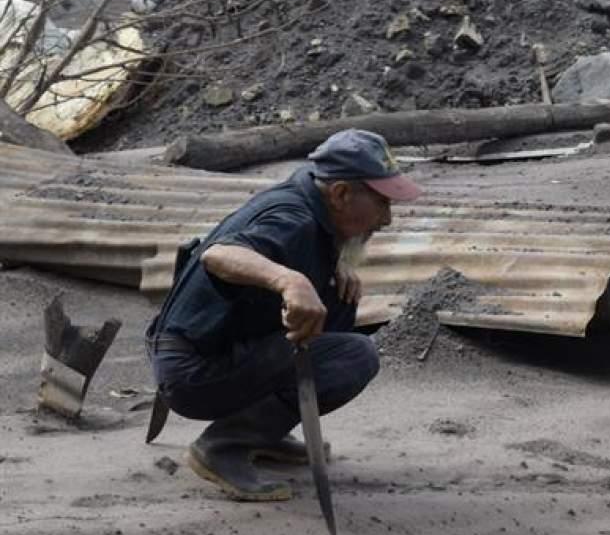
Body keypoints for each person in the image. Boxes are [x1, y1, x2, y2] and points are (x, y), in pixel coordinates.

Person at [145, 129, 422, 501]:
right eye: (381, 204)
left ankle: (265, 431)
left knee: (337, 302)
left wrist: (330, 263)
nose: (386, 219)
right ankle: (223, 447)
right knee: (355, 356)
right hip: (193, 374)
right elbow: (219, 254)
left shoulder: (310, 200)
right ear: (340, 193)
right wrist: (289, 280)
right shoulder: (293, 217)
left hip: (207, 352)